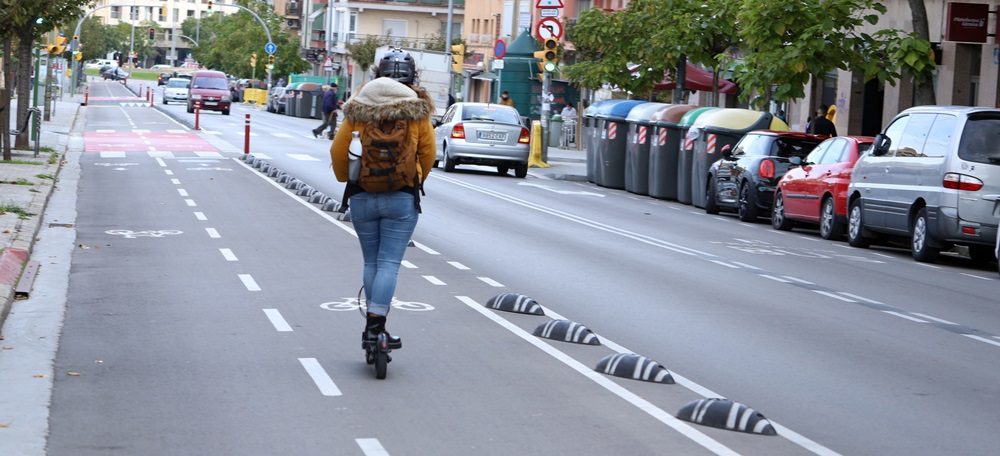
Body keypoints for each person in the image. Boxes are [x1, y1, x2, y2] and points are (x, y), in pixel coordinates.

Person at [329, 48, 436, 349]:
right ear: (413, 77)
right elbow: (428, 154)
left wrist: (347, 179)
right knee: (389, 263)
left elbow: (338, 152)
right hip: (401, 197)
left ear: (376, 74)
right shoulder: (416, 109)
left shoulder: (359, 106)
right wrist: (414, 181)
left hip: (362, 195)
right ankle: (377, 328)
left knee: (371, 262)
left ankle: (370, 329)